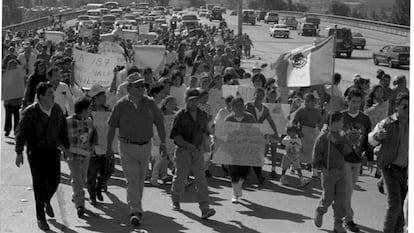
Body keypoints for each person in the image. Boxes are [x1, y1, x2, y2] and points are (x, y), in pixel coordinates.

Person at [107, 74, 167, 226]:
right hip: (127, 147)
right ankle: (135, 210)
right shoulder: (120, 104)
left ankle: (135, 205)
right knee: (132, 179)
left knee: (140, 180)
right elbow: (112, 126)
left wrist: (164, 143)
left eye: (142, 86)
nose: (141, 88)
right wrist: (108, 148)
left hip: (145, 146)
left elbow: (159, 122)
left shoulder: (150, 103)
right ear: (129, 88)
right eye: (137, 86)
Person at [15, 82, 71, 231]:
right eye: (50, 94)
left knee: (55, 180)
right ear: (40, 97)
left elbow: (63, 130)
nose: (53, 97)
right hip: (36, 152)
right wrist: (19, 152)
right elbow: (20, 133)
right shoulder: (30, 112)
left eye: (53, 94)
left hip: (53, 150)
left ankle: (46, 200)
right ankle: (41, 217)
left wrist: (66, 147)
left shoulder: (57, 110)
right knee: (39, 184)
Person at [170, 89, 216, 219]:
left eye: (196, 99)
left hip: (198, 151)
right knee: (180, 177)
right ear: (186, 100)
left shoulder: (203, 115)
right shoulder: (180, 115)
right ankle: (175, 199)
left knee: (201, 180)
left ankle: (205, 208)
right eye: (191, 100)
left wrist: (210, 138)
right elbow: (175, 136)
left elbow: (206, 130)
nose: (194, 102)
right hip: (183, 151)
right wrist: (188, 146)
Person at [368, 92, 408, 233]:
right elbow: (371, 140)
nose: (408, 110)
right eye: (405, 107)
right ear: (397, 107)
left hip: (407, 172)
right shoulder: (388, 123)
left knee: (404, 208)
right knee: (395, 205)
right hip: (390, 169)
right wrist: (377, 136)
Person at [313, 111, 351, 233]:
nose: (343, 124)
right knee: (328, 197)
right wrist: (322, 169)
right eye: (341, 122)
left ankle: (338, 224)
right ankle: (320, 210)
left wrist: (336, 141)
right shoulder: (323, 137)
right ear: (334, 123)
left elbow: (346, 151)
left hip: (341, 171)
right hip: (329, 172)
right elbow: (316, 155)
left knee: (341, 199)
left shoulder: (341, 135)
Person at [341, 88, 372, 232]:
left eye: (358, 102)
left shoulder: (365, 119)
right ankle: (349, 219)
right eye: (353, 101)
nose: (356, 105)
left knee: (349, 191)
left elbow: (367, 140)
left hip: (357, 159)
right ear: (347, 100)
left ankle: (336, 211)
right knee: (347, 190)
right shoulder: (340, 117)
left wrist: (370, 157)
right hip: (343, 159)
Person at [66, 97, 95, 217]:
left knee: (82, 179)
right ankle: (80, 205)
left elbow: (92, 136)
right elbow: (63, 138)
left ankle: (76, 195)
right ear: (83, 109)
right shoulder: (68, 121)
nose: (91, 110)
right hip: (73, 156)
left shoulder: (89, 121)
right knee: (77, 180)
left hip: (86, 155)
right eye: (89, 108)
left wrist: (92, 148)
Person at [224, 97, 256, 203]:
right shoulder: (228, 119)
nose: (239, 107)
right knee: (233, 171)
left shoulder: (250, 118)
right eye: (237, 105)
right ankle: (235, 193)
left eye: (241, 105)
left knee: (244, 172)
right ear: (232, 107)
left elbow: (255, 132)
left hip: (246, 150)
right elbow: (224, 134)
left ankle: (239, 185)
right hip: (233, 150)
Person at [245, 88, 279, 184]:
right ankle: (247, 173)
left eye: (261, 95)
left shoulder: (265, 109)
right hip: (247, 133)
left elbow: (271, 121)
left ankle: (258, 175)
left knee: (257, 154)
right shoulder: (248, 105)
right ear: (254, 94)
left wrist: (276, 133)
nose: (259, 97)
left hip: (258, 134)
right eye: (258, 95)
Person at [86, 85, 114, 205]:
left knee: (108, 170)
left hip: (106, 145)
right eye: (102, 95)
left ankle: (100, 186)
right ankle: (92, 195)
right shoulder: (88, 112)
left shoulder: (108, 110)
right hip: (92, 147)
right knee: (91, 173)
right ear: (95, 98)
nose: (104, 97)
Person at [291, 93, 322, 175]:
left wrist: (319, 131)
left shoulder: (317, 111)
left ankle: (314, 171)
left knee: (314, 152)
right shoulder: (301, 110)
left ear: (313, 102)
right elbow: (294, 121)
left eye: (309, 101)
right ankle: (293, 167)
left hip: (313, 133)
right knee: (299, 152)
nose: (306, 102)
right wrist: (297, 131)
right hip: (302, 133)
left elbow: (320, 122)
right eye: (305, 101)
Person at [3, 59, 23, 137]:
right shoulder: (5, 74)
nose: (13, 67)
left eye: (15, 65)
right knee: (8, 116)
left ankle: (16, 131)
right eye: (12, 65)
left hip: (17, 98)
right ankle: (7, 130)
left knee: (16, 116)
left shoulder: (19, 75)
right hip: (8, 98)